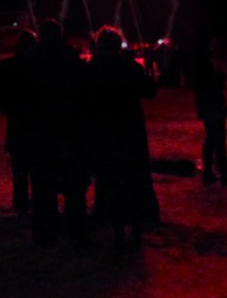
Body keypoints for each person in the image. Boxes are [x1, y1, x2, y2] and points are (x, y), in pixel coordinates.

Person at [84, 26, 159, 253]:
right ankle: (135, 228)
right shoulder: (128, 67)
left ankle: (115, 228)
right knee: (133, 181)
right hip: (129, 132)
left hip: (104, 133)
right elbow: (150, 92)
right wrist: (148, 74)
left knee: (110, 181)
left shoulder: (93, 67)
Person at [28, 19, 87, 247]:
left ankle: (44, 231)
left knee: (43, 186)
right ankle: (75, 228)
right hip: (68, 131)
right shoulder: (70, 59)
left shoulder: (31, 60)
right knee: (73, 185)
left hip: (41, 132)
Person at [0, 28, 38, 216]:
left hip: (18, 124)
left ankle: (21, 204)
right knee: (37, 169)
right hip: (37, 125)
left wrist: (12, 111)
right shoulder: (39, 66)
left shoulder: (8, 65)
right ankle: (38, 203)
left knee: (19, 170)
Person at [191, 38, 227, 186]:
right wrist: (220, 78)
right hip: (213, 105)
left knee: (212, 138)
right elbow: (212, 86)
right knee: (218, 139)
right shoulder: (205, 64)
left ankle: (210, 171)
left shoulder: (198, 63)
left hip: (206, 106)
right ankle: (222, 172)